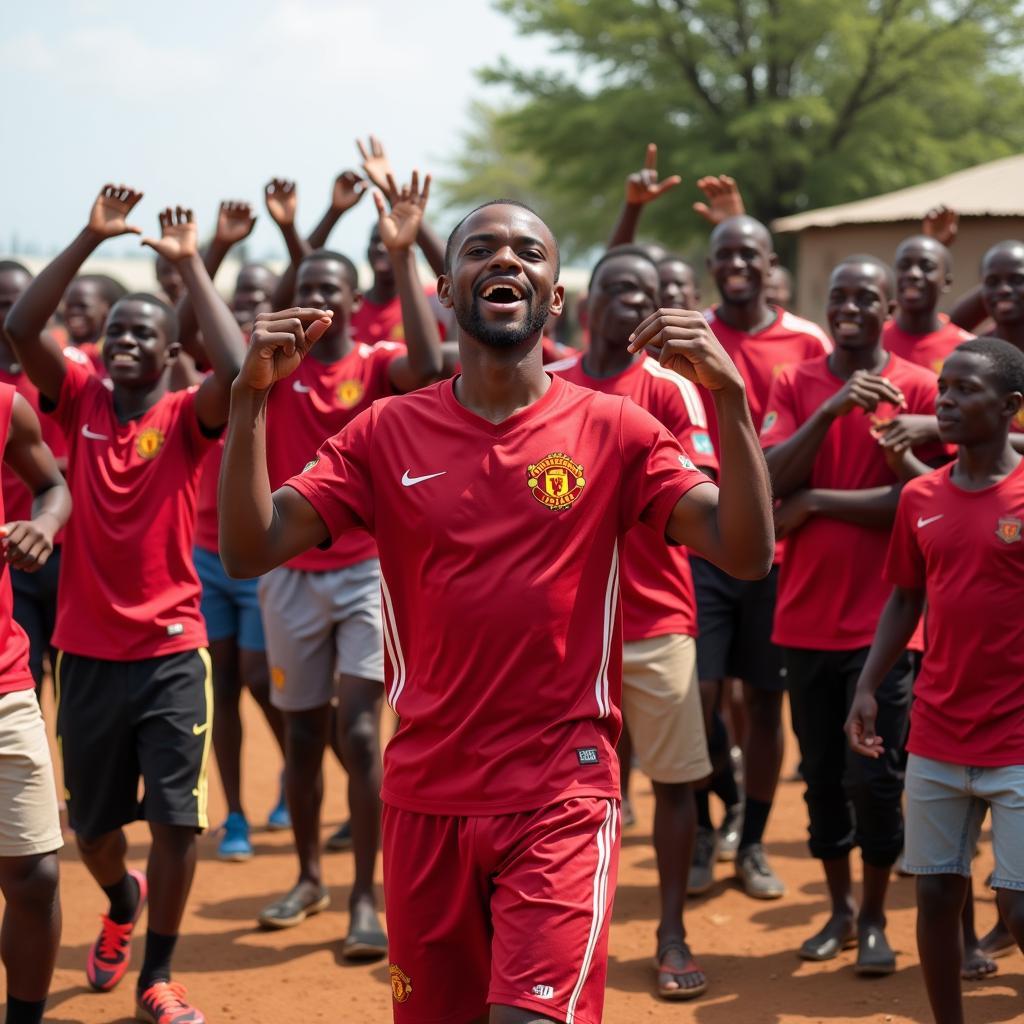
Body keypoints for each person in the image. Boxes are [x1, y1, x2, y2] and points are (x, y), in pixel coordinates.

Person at [218, 197, 773, 1024]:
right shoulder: (384, 433)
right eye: (481, 249)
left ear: (555, 298)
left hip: (562, 791)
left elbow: (744, 550)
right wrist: (248, 403)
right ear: (446, 287)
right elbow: (251, 549)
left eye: (527, 251)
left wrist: (727, 397)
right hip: (426, 794)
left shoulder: (614, 429)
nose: (505, 259)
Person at [5, 186, 246, 1024]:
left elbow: (241, 369)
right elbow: (22, 328)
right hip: (88, 651)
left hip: (175, 648)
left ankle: (159, 975)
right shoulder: (75, 399)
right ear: (101, 350)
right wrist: (87, 234)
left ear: (166, 345)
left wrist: (188, 266)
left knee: (178, 821)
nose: (128, 341)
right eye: (117, 332)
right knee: (94, 833)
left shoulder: (187, 415)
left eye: (145, 331)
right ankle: (120, 898)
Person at [253, 174, 443, 961]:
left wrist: (404, 258)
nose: (320, 296)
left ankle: (367, 896)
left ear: (352, 297)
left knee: (361, 733)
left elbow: (433, 369)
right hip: (290, 571)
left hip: (368, 570)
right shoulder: (271, 368)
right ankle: (308, 876)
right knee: (302, 738)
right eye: (308, 285)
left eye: (333, 286)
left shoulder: (376, 359)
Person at [761, 255, 947, 975]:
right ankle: (838, 911)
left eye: (865, 296)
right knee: (821, 774)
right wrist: (833, 410)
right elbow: (772, 482)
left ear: (888, 304)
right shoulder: (796, 383)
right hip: (804, 618)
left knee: (875, 778)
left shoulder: (921, 387)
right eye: (839, 295)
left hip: (888, 624)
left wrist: (815, 505)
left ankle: (874, 917)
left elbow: (927, 498)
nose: (851, 307)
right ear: (824, 302)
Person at [550, 245, 717, 1000]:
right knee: (574, 790)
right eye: (614, 290)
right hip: (568, 629)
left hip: (655, 619)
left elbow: (703, 502)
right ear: (587, 306)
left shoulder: (673, 391)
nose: (627, 302)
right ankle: (573, 927)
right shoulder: (547, 387)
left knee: (675, 781)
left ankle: (671, 929)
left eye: (641, 292)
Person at [846, 336, 1024, 1024]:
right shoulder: (920, 495)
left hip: (1016, 737)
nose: (945, 401)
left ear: (1010, 407)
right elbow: (904, 599)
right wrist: (868, 686)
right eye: (942, 388)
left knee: (1015, 906)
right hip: (938, 732)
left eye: (965, 391)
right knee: (936, 898)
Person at [692, 214, 832, 899]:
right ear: (711, 264)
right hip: (697, 541)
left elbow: (812, 447)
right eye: (725, 253)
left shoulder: (806, 340)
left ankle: (749, 844)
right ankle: (704, 819)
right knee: (699, 699)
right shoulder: (691, 333)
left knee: (768, 703)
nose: (737, 263)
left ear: (770, 261)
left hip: (777, 552)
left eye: (749, 252)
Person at [181, 205, 291, 861]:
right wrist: (208, 251)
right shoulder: (211, 377)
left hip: (262, 550)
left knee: (258, 678)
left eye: (261, 295)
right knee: (219, 686)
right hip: (203, 551)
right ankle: (238, 816)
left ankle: (291, 766)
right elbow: (192, 326)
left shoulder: (282, 366)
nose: (250, 304)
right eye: (239, 297)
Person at [0, 380, 72, 1024]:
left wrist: (42, 524)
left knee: (37, 876)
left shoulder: (4, 405)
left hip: (4, 683)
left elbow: (54, 485)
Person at [0, 263, 71, 696]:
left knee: (73, 674)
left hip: (68, 548)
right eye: (2, 305)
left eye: (18, 304)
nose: (10, 314)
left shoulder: (62, 371)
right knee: (26, 671)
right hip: (11, 554)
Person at [883, 234, 973, 374]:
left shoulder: (968, 348)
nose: (913, 274)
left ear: (947, 282)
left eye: (927, 267)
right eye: (904, 266)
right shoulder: (873, 342)